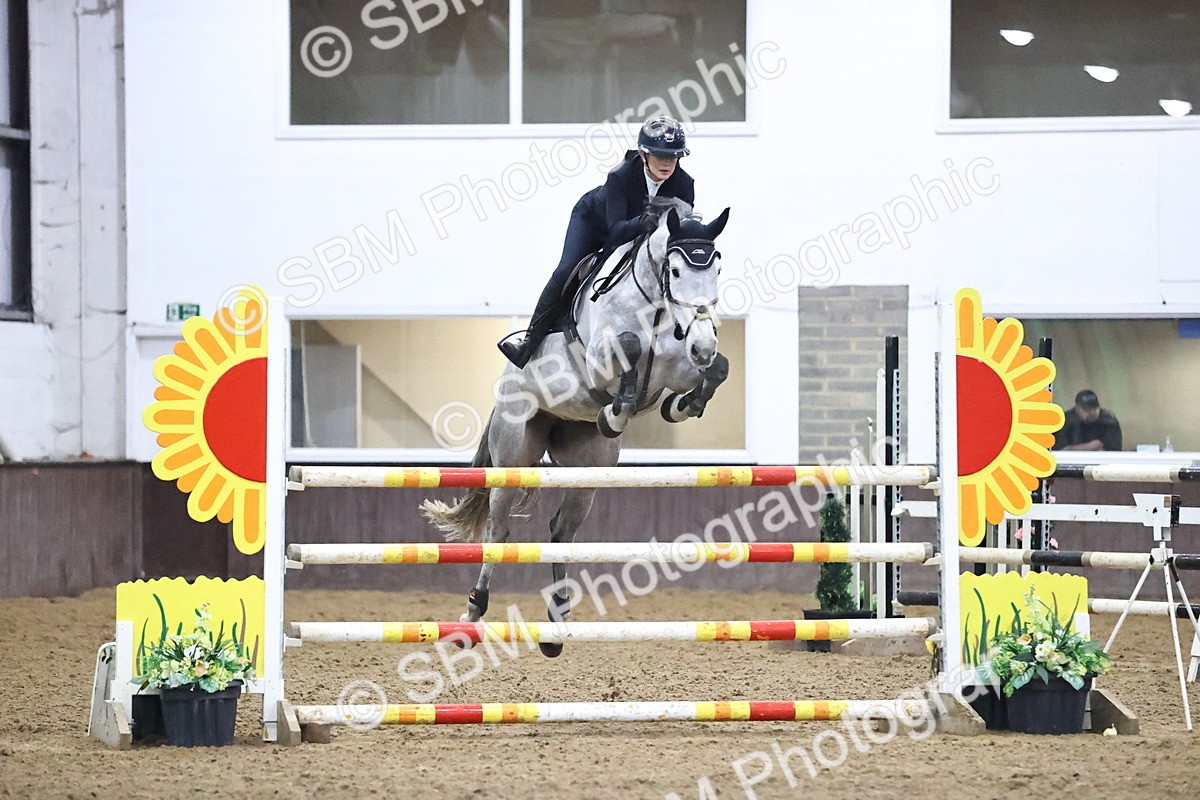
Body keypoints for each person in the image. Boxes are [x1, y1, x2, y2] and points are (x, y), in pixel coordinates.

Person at [498, 115, 695, 368]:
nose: (667, 163)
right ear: (644, 155)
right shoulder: (621, 175)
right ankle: (529, 341)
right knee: (566, 270)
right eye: (660, 156)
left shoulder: (685, 184)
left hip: (637, 235)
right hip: (593, 223)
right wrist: (641, 223)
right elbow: (615, 231)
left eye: (673, 156)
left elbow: (677, 234)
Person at [1054, 390, 1122, 451]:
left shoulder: (1108, 420)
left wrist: (1073, 448)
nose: (1092, 413)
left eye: (1095, 409)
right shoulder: (1065, 422)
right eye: (1087, 409)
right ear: (1077, 408)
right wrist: (1091, 446)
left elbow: (1115, 450)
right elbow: (1060, 449)